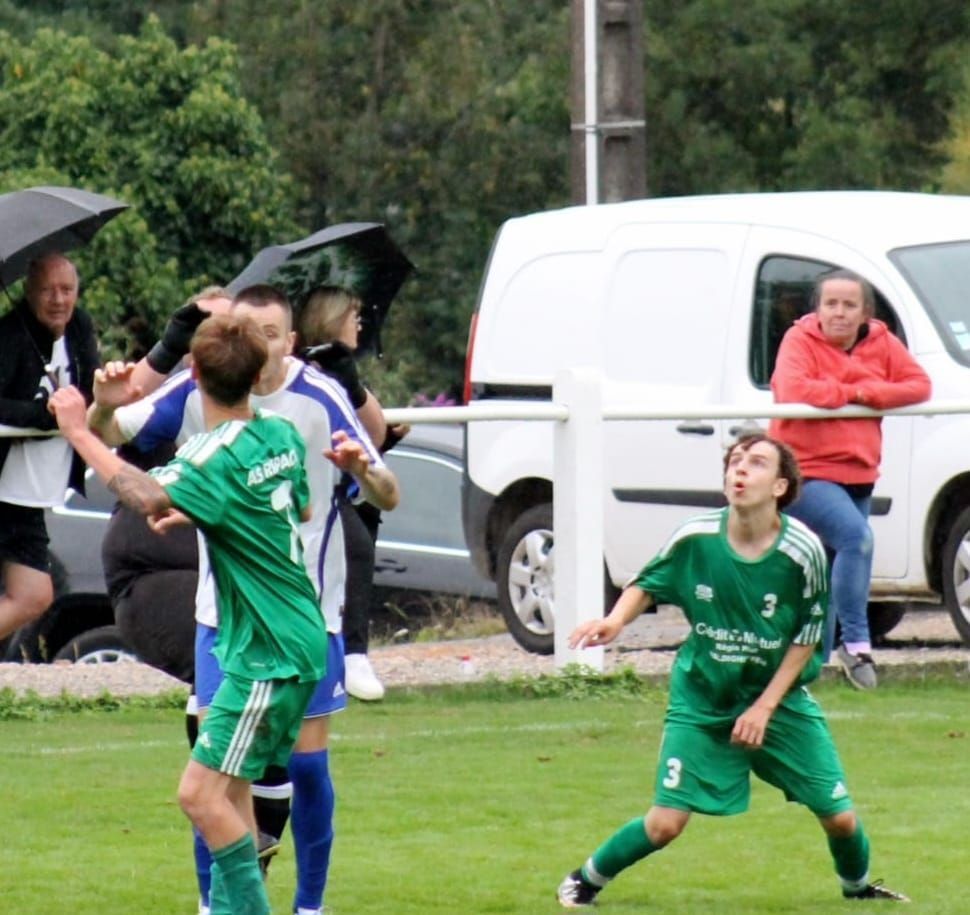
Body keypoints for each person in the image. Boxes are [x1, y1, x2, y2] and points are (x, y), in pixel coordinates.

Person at [90, 284, 399, 915]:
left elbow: (384, 492)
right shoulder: (229, 409)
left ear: (287, 343)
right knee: (217, 778)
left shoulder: (309, 404)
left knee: (273, 777)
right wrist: (100, 410)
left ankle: (306, 906)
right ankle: (216, 904)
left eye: (270, 332)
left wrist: (363, 472)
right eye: (247, 328)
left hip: (297, 619)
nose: (257, 341)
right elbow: (120, 432)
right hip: (224, 619)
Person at [50, 312, 336, 915]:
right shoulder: (280, 433)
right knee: (230, 799)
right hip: (290, 637)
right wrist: (211, 513)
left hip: (270, 653)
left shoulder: (211, 455)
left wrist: (79, 432)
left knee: (200, 798)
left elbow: (143, 493)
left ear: (195, 372)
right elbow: (299, 513)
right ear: (260, 375)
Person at [556, 433, 908, 908]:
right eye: (735, 461)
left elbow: (807, 638)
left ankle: (859, 889)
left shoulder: (803, 551)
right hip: (703, 697)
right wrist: (614, 621)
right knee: (665, 824)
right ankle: (583, 880)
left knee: (840, 819)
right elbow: (649, 580)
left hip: (777, 700)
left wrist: (764, 707)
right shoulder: (696, 537)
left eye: (756, 462)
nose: (740, 469)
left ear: (781, 485)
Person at [769, 269, 931, 689]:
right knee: (856, 539)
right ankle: (857, 643)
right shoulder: (798, 340)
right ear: (818, 309)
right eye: (831, 304)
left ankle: (813, 666)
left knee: (826, 565)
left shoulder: (881, 341)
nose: (838, 313)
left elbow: (918, 386)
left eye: (848, 305)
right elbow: (792, 390)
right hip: (804, 471)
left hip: (859, 471)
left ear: (865, 313)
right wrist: (857, 389)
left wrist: (867, 392)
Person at [299, 285, 410, 701]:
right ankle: (348, 654)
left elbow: (373, 431)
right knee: (352, 545)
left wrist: (357, 390)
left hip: (342, 480)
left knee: (358, 541)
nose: (359, 322)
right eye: (352, 314)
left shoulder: (344, 368)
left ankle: (352, 653)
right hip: (308, 481)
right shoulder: (305, 369)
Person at [0, 253, 99, 642]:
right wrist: (46, 415)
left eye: (67, 290)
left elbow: (89, 391)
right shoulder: (8, 336)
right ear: (28, 292)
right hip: (5, 488)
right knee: (34, 592)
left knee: (34, 596)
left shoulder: (80, 328)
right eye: (47, 290)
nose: (58, 300)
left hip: (33, 494)